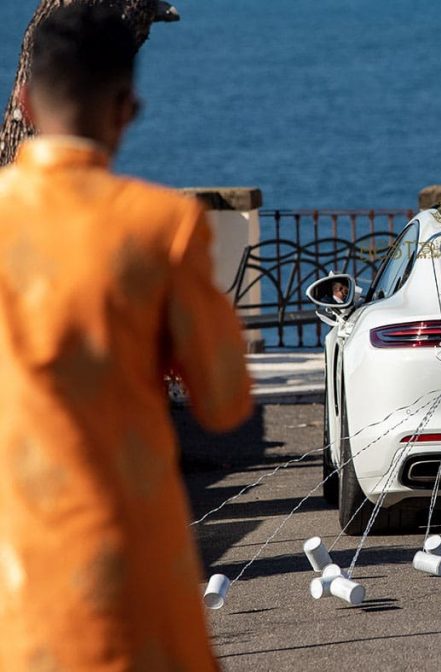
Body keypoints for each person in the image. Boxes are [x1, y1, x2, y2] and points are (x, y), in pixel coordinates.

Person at [0, 5, 251, 671]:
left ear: (22, 99)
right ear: (127, 106)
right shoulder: (159, 227)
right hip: (135, 590)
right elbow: (224, 401)